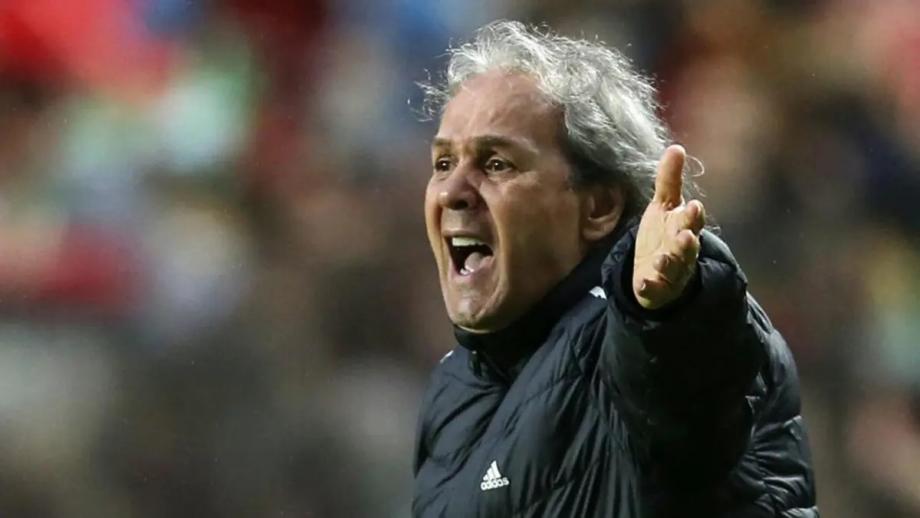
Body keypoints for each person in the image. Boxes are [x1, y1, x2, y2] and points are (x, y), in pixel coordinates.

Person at [412, 20, 818, 517]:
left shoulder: (643, 333)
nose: (452, 192)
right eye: (443, 164)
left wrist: (667, 308)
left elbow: (687, 382)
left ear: (600, 206)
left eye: (497, 164)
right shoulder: (454, 390)